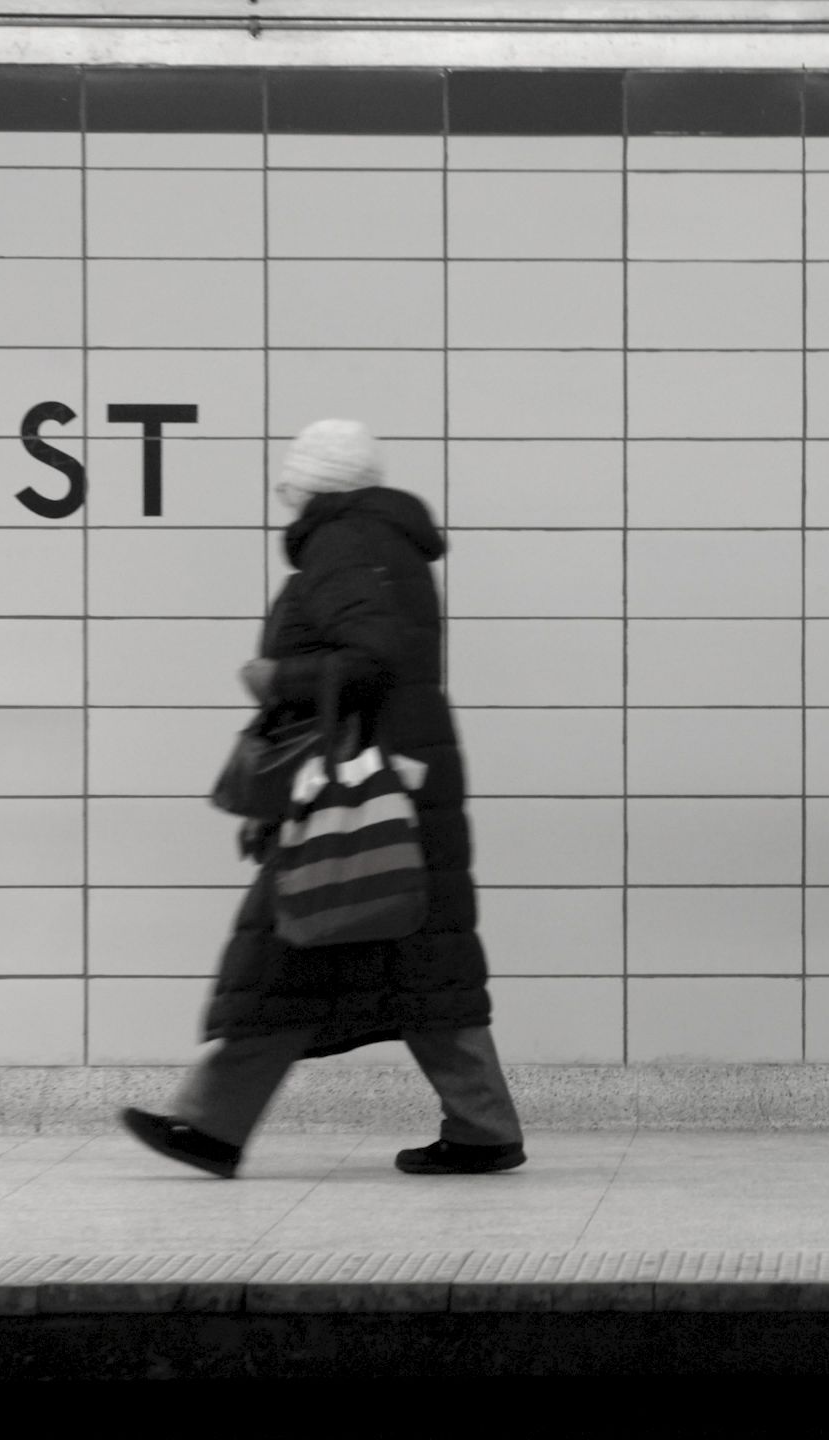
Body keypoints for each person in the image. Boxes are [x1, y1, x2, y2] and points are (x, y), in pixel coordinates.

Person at [120, 419, 526, 1179]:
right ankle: (481, 1128)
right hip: (395, 783)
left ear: (311, 485)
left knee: (287, 952)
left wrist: (274, 679)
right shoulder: (384, 544)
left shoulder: (344, 543)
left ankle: (209, 1126)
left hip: (352, 792)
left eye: (289, 483)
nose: (285, 497)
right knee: (419, 966)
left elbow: (370, 661)